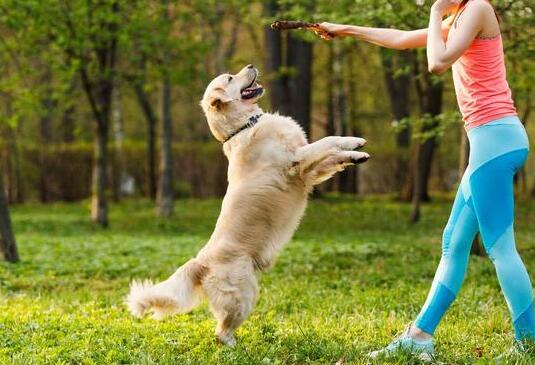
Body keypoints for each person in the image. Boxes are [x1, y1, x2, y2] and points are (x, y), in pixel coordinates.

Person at [313, 0, 534, 361]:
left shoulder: (478, 8)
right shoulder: (463, 19)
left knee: (500, 248)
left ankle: (528, 345)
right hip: (492, 141)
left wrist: (435, 11)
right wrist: (345, 29)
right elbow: (401, 38)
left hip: (495, 140)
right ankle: (420, 336)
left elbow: (437, 62)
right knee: (454, 242)